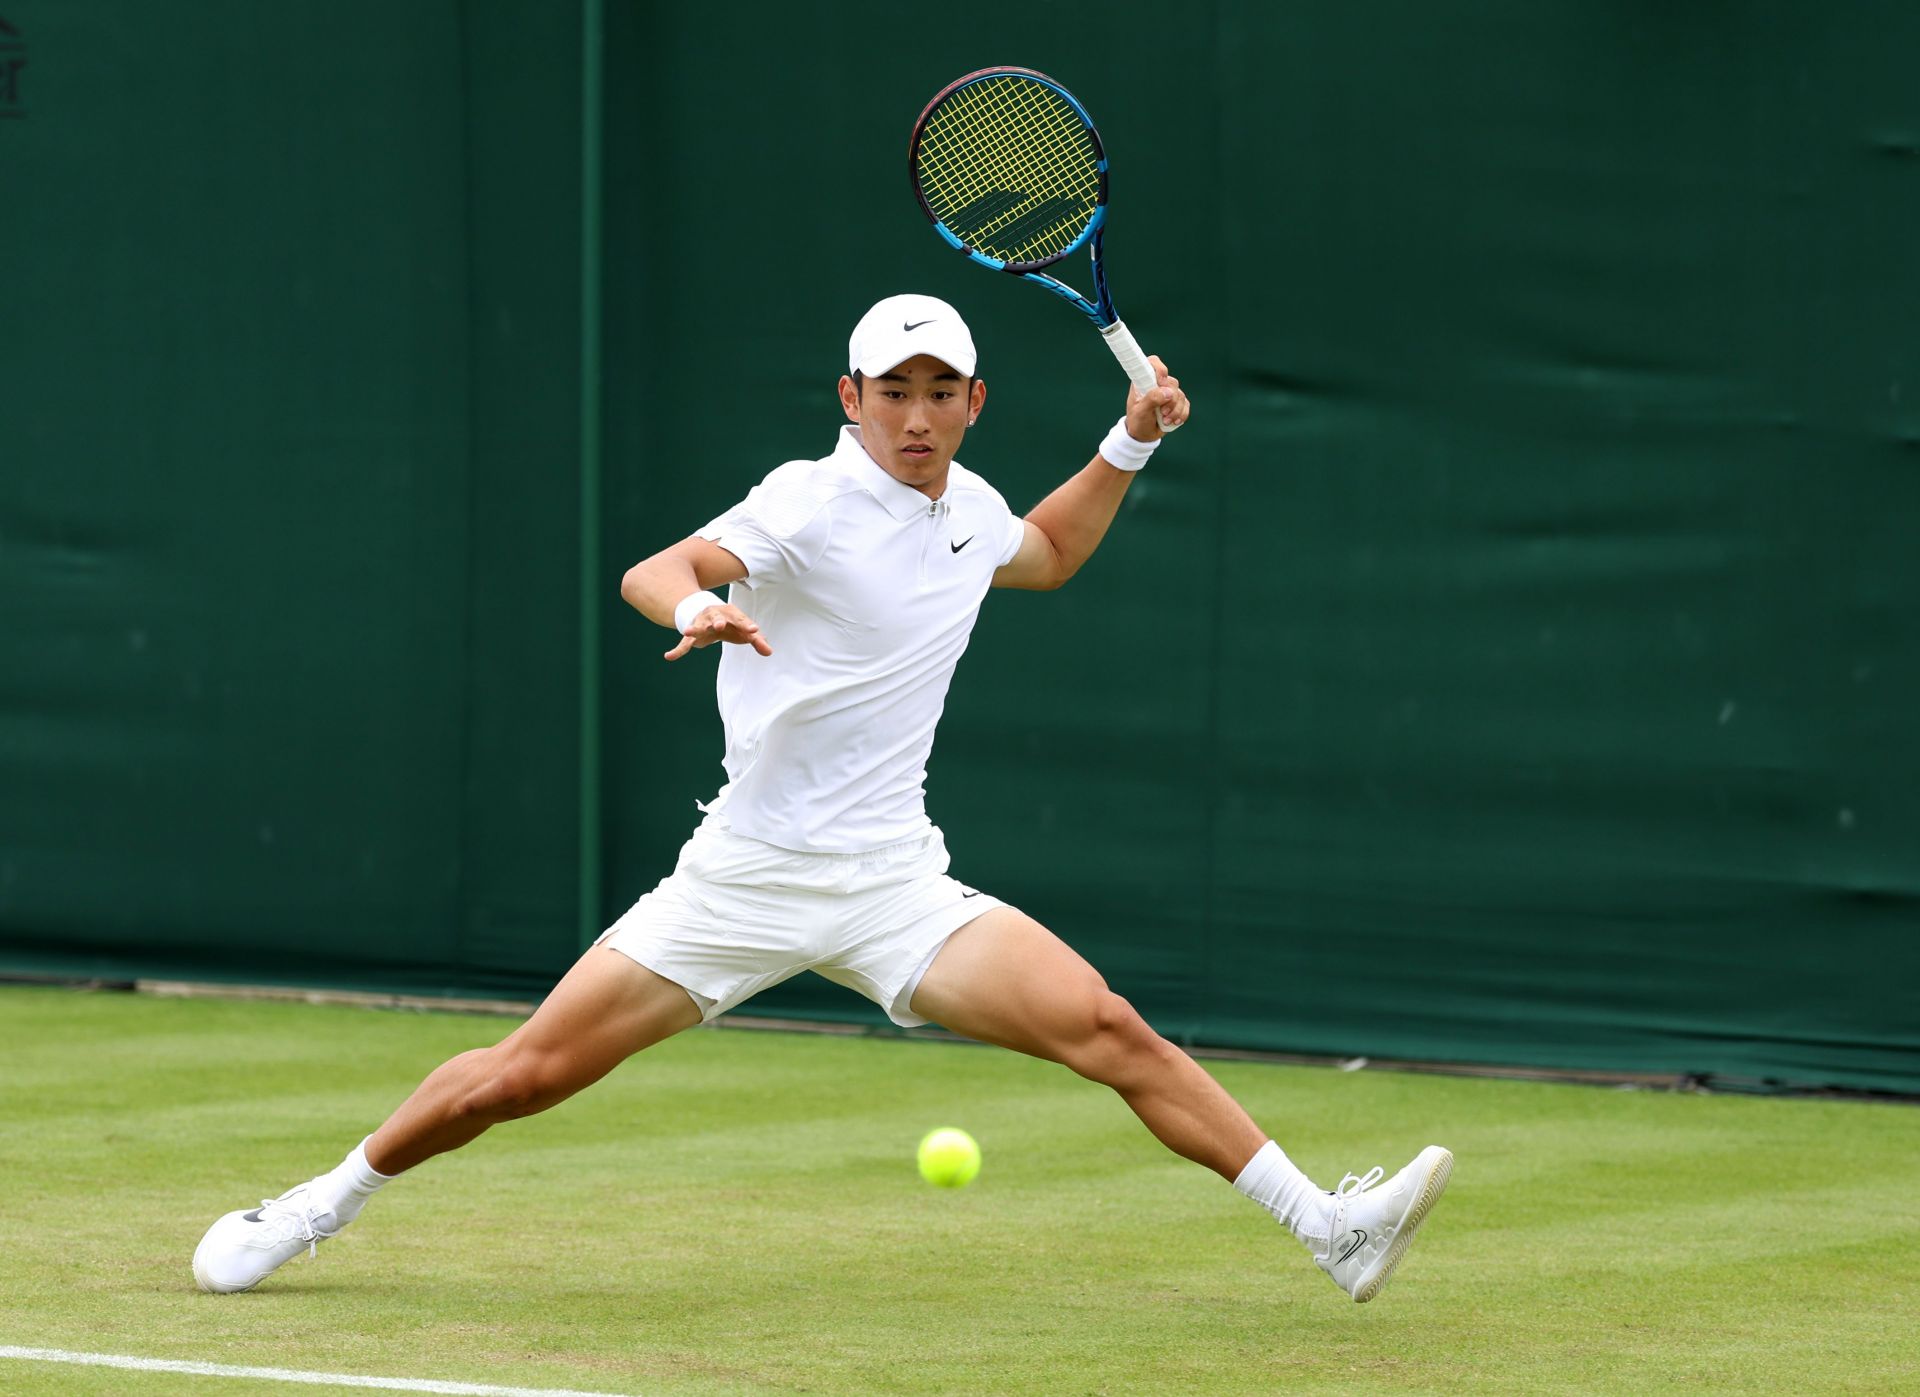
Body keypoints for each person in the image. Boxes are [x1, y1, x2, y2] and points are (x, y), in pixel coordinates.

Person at [192, 293, 1452, 1304]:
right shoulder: (805, 498)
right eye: (891, 391)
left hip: (893, 884)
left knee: (1108, 1026)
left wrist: (1132, 439)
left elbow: (1054, 554)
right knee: (516, 1078)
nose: (916, 415)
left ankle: (1330, 1227)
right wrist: (696, 603)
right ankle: (320, 1201)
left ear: (972, 404)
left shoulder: (970, 511)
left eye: (938, 392)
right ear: (849, 399)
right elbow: (657, 564)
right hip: (744, 877)